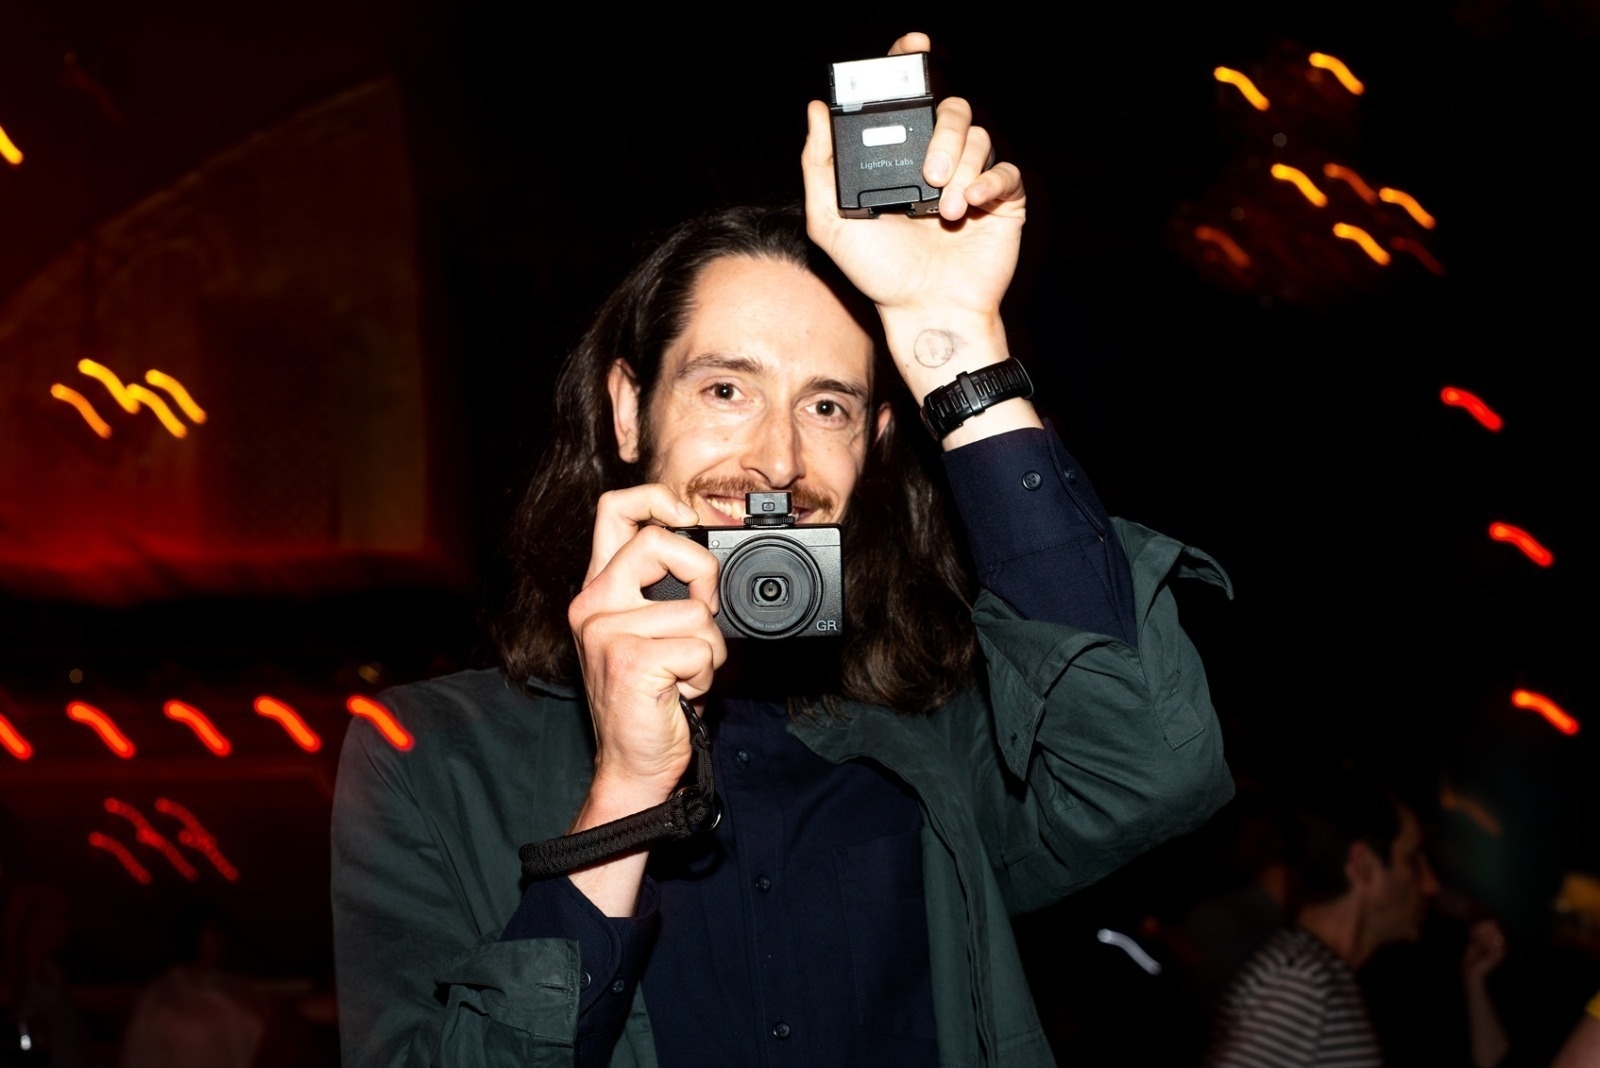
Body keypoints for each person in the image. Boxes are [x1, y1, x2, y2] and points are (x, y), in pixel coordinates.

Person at [333, 32, 1233, 1067]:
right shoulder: (429, 761)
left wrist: (953, 339)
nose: (776, 458)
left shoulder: (938, 746)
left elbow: (1151, 767)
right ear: (629, 411)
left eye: (828, 404)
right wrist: (624, 793)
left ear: (877, 446)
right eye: (725, 389)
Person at [1203, 786, 1501, 1068]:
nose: (1431, 885)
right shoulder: (1303, 981)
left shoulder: (1320, 976)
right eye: (1412, 860)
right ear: (1363, 866)